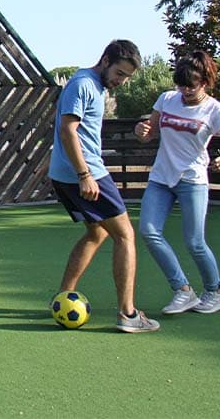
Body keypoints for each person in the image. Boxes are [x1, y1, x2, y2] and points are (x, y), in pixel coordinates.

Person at [48, 39, 160, 333]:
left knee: (96, 233)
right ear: (106, 60)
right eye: (120, 74)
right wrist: (84, 174)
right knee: (125, 235)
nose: (122, 81)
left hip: (72, 172)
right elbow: (67, 130)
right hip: (84, 173)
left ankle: (62, 297)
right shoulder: (82, 84)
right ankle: (128, 314)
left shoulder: (95, 87)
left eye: (127, 77)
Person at [134, 51, 220, 315]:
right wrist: (142, 130)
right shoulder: (166, 99)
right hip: (161, 178)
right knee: (148, 231)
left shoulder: (216, 110)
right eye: (180, 84)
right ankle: (183, 290)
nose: (184, 90)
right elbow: (149, 133)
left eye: (190, 86)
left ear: (204, 82)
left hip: (192, 180)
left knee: (194, 242)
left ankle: (215, 292)